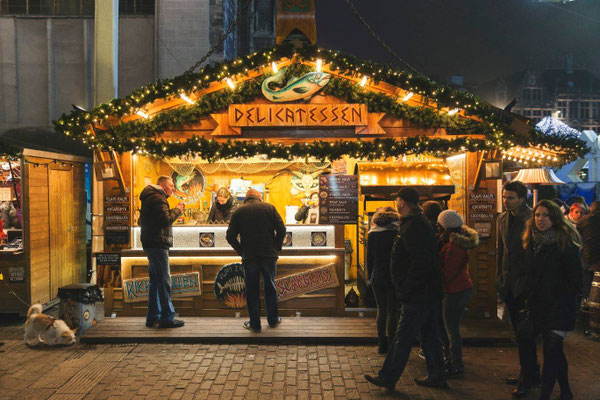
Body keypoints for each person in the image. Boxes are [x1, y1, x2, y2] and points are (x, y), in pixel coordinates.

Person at [365, 187, 447, 390]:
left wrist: (405, 288)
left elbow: (419, 262)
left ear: (403, 202)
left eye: (398, 200)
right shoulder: (418, 223)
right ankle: (438, 375)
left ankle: (388, 377)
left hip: (417, 293)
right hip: (426, 291)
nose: (397, 203)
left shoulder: (414, 226)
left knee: (403, 337)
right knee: (429, 335)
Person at [522, 199, 581, 400]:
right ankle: (566, 391)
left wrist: (558, 296)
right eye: (537, 215)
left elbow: (574, 279)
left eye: (545, 215)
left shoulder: (565, 243)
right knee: (556, 352)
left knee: (551, 351)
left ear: (554, 217)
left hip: (560, 306)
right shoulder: (533, 241)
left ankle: (544, 396)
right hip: (540, 307)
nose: (540, 219)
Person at [497, 180, 540, 397]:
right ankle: (529, 373)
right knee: (518, 331)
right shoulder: (502, 218)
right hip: (509, 283)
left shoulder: (532, 219)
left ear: (522, 199)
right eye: (505, 197)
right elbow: (501, 252)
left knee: (525, 334)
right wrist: (499, 280)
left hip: (525, 284)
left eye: (511, 197)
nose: (506, 201)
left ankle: (529, 377)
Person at [226, 188, 286, 332]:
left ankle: (255, 324)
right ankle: (272, 320)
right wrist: (276, 247)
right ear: (259, 197)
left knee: (251, 290)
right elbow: (282, 229)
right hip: (268, 255)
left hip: (250, 256)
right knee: (270, 287)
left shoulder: (239, 212)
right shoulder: (269, 208)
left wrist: (242, 251)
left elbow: (230, 236)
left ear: (246, 198)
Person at [436, 210, 479, 378]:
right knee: (449, 327)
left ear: (444, 226)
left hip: (455, 290)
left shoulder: (455, 245)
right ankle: (452, 360)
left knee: (451, 329)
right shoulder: (457, 239)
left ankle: (456, 364)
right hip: (461, 288)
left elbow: (449, 270)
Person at [139, 176, 185, 328]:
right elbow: (165, 220)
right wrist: (178, 210)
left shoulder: (150, 196)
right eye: (171, 185)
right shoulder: (158, 198)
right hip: (158, 243)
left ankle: (152, 316)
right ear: (163, 186)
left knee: (155, 281)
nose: (173, 188)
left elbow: (157, 218)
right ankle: (167, 317)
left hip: (151, 242)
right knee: (164, 280)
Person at [366, 206, 401, 354]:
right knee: (392, 311)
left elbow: (370, 258)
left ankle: (382, 343)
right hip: (394, 276)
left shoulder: (373, 233)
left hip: (378, 275)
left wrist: (369, 276)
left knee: (381, 309)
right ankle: (392, 343)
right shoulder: (398, 232)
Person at [577, 201, 600, 301]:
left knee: (586, 280)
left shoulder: (583, 220)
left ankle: (586, 300)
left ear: (591, 209)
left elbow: (578, 237)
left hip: (586, 258)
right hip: (598, 260)